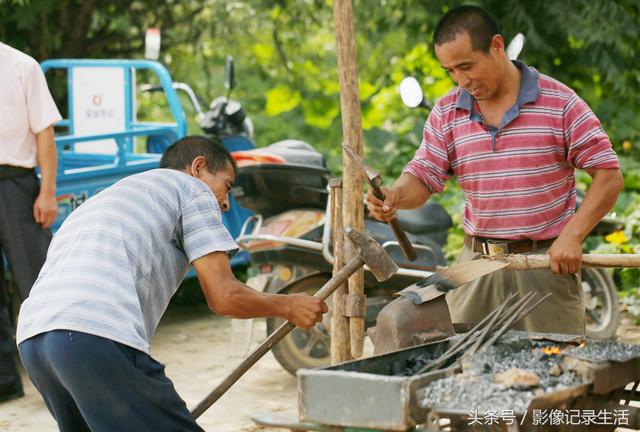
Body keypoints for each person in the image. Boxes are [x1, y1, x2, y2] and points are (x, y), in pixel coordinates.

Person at [16, 135, 329, 431]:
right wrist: (288, 305)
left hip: (35, 341)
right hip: (91, 334)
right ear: (198, 167)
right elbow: (224, 296)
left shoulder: (106, 199)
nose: (226, 204)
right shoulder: (191, 189)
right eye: (227, 186)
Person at [366, 5, 623, 335]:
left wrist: (572, 236)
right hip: (476, 268)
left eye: (466, 66)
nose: (461, 80)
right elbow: (424, 174)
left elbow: (609, 177)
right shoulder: (446, 112)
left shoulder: (560, 103)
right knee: (462, 371)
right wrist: (396, 195)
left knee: (556, 371)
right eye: (450, 71)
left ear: (497, 46)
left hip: (544, 267)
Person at [0, 42, 60, 403]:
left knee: (37, 288)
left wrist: (48, 191)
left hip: (17, 187)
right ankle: (5, 382)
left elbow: (44, 133)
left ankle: (59, 379)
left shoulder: (22, 66)